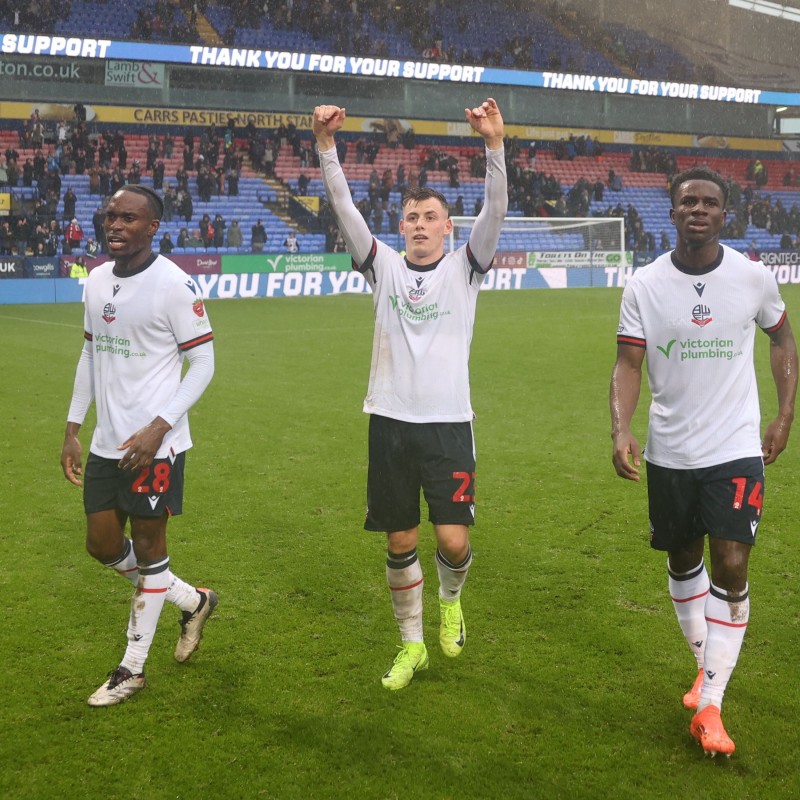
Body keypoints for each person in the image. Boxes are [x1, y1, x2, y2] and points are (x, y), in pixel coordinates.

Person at [312, 98, 507, 691]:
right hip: (390, 422)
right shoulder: (383, 268)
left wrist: (494, 146)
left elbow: (496, 206)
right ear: (401, 227)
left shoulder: (466, 268)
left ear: (448, 227)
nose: (420, 224)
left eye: (430, 217)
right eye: (411, 216)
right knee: (399, 541)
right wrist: (326, 148)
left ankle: (452, 601)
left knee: (452, 540)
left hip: (449, 424)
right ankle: (411, 645)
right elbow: (344, 206)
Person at [609, 166, 797, 757]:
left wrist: (784, 414)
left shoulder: (753, 277)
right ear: (672, 212)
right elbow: (629, 365)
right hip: (671, 452)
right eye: (687, 201)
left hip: (736, 447)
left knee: (732, 566)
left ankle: (711, 706)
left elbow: (783, 339)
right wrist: (621, 428)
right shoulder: (643, 285)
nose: (697, 209)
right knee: (684, 560)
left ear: (724, 215)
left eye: (709, 202)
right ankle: (704, 668)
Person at [60, 185, 218, 707]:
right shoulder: (97, 279)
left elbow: (205, 364)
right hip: (108, 443)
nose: (115, 225)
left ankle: (132, 669)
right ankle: (193, 600)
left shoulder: (174, 284)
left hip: (157, 446)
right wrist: (72, 426)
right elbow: (90, 355)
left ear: (153, 227)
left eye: (129, 218)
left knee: (151, 552)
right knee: (102, 546)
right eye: (110, 216)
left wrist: (159, 427)